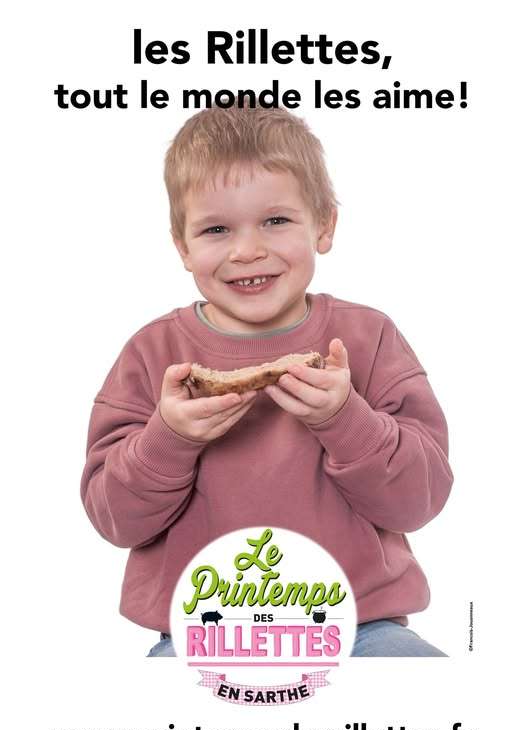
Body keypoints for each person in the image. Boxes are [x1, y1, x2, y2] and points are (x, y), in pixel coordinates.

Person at [80, 103, 453, 657]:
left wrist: (346, 420)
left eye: (276, 221)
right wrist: (169, 439)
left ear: (324, 224)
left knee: (452, 703)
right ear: (182, 246)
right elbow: (116, 520)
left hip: (360, 629)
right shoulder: (153, 354)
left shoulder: (368, 338)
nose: (248, 250)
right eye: (216, 229)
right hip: (201, 638)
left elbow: (419, 501)